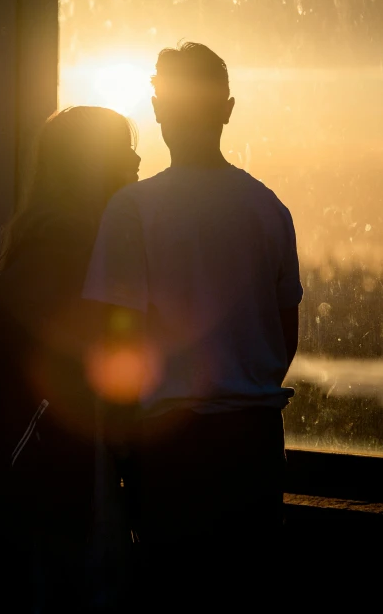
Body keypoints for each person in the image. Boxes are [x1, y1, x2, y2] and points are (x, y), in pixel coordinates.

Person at [82, 42, 303, 603]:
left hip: (172, 447)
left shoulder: (133, 210)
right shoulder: (269, 210)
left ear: (157, 110)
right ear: (227, 109)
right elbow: (285, 333)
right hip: (254, 444)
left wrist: (120, 453)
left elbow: (118, 344)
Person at [0, 105, 141, 612]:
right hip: (31, 492)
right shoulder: (67, 255)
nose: (137, 161)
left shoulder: (52, 248)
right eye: (124, 151)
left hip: (15, 486)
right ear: (91, 165)